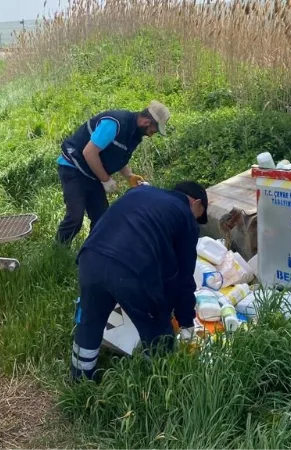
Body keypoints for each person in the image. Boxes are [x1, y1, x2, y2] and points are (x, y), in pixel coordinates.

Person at [70, 181, 208, 382]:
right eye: (199, 215)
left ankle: (80, 381)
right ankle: (155, 387)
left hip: (90, 259)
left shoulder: (141, 192)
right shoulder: (185, 215)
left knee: (90, 321)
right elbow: (183, 277)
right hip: (131, 269)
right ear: (195, 203)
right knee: (158, 330)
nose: (196, 220)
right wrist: (186, 321)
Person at [55, 101, 171, 245]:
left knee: (102, 218)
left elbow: (116, 155)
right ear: (147, 122)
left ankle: (92, 252)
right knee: (75, 217)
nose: (152, 135)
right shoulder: (115, 123)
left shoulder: (134, 133)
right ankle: (58, 251)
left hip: (92, 172)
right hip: (74, 167)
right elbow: (89, 153)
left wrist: (129, 176)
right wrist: (106, 180)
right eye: (154, 130)